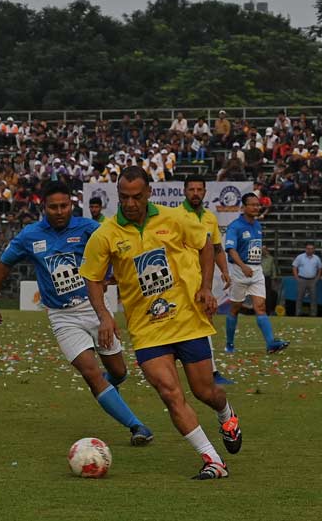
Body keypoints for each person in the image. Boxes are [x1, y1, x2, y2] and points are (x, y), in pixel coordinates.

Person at [81, 166, 237, 480]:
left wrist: (206, 287)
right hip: (148, 330)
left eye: (137, 196)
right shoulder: (106, 234)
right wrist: (105, 315)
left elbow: (206, 245)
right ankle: (213, 460)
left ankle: (226, 414)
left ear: (149, 192)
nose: (130, 203)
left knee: (206, 392)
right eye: (124, 197)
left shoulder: (175, 219)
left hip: (187, 321)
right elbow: (93, 278)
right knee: (169, 393)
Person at [0, 180, 154, 447]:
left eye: (64, 205)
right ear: (44, 207)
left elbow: (116, 248)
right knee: (91, 373)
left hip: (94, 308)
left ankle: (106, 392)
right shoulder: (30, 235)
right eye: (53, 207)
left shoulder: (88, 228)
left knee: (118, 371)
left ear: (71, 206)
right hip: (62, 316)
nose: (59, 211)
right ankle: (137, 426)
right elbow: (4, 264)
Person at [175, 175, 234, 385]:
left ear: (205, 192)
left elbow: (217, 248)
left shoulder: (210, 218)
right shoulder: (176, 216)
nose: (195, 193)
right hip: (183, 279)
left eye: (199, 189)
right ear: (184, 191)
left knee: (204, 319)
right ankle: (209, 372)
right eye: (191, 189)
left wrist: (225, 271)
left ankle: (209, 370)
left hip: (204, 279)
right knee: (194, 320)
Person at [224, 193, 290, 354]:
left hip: (256, 270)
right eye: (252, 205)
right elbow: (231, 250)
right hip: (240, 271)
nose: (256, 207)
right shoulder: (235, 226)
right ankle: (230, 344)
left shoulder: (257, 225)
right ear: (243, 207)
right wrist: (243, 266)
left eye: (257, 205)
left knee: (260, 307)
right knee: (235, 308)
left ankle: (270, 344)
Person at [292, 243, 322, 316]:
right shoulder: (300, 257)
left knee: (313, 298)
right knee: (299, 297)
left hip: (312, 280)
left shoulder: (316, 258)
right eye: (308, 248)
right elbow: (294, 267)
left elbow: (320, 268)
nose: (310, 250)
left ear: (314, 250)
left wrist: (317, 278)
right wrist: (297, 277)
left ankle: (313, 314)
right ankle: (298, 313)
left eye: (311, 249)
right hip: (302, 279)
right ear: (306, 249)